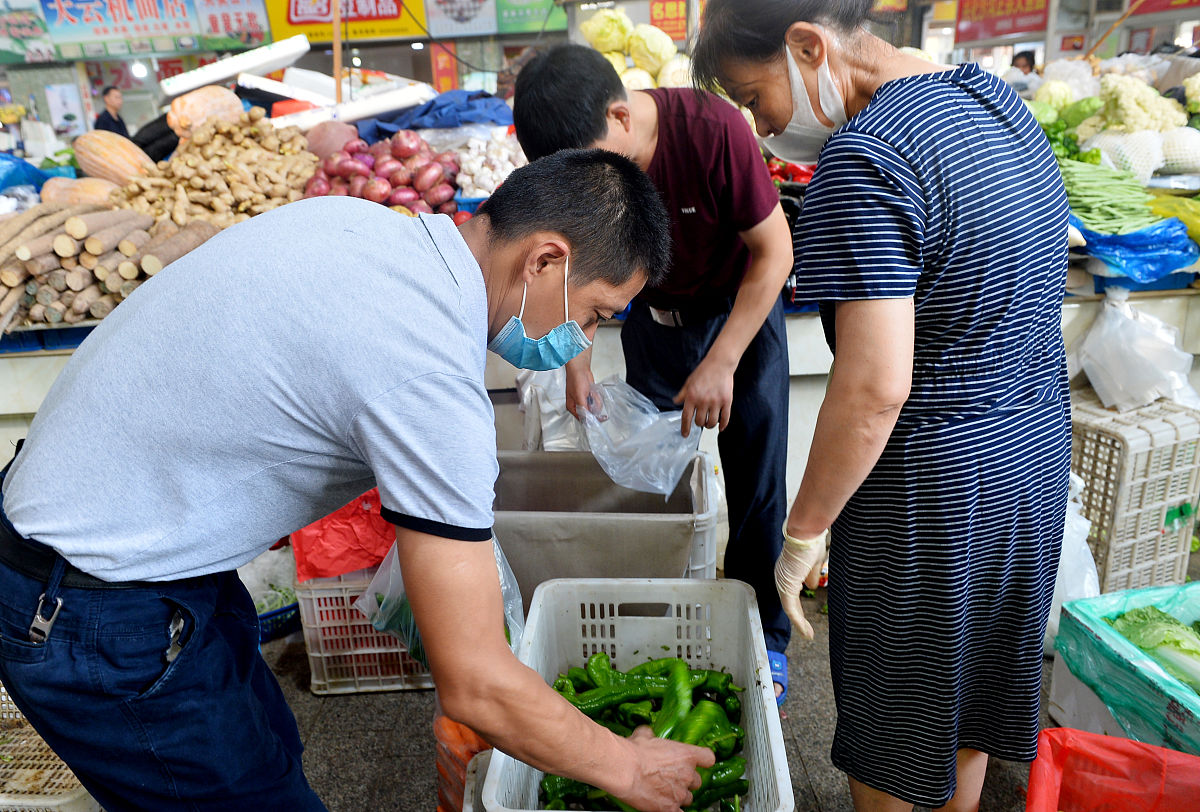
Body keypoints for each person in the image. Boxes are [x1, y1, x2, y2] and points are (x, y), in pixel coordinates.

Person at [0, 149, 714, 812]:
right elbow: (474, 682)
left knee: (268, 756)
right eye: (593, 314)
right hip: (87, 603)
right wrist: (625, 765)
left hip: (118, 547)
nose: (581, 343)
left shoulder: (363, 226)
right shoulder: (427, 369)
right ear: (544, 260)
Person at [693, 2, 1070, 811]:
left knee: (900, 725)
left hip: (931, 491)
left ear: (806, 46)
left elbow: (873, 390)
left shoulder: (866, 159)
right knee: (976, 688)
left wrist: (800, 534)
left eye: (755, 98)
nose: (760, 129)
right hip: (1034, 457)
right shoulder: (998, 103)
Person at [512, 45, 797, 700]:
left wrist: (722, 362)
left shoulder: (712, 130)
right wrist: (576, 362)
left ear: (620, 115)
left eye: (595, 165)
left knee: (757, 483)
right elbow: (576, 273)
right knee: (652, 476)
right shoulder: (580, 165)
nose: (586, 186)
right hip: (655, 320)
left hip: (741, 316)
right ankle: (652, 614)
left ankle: (767, 639)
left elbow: (774, 252)